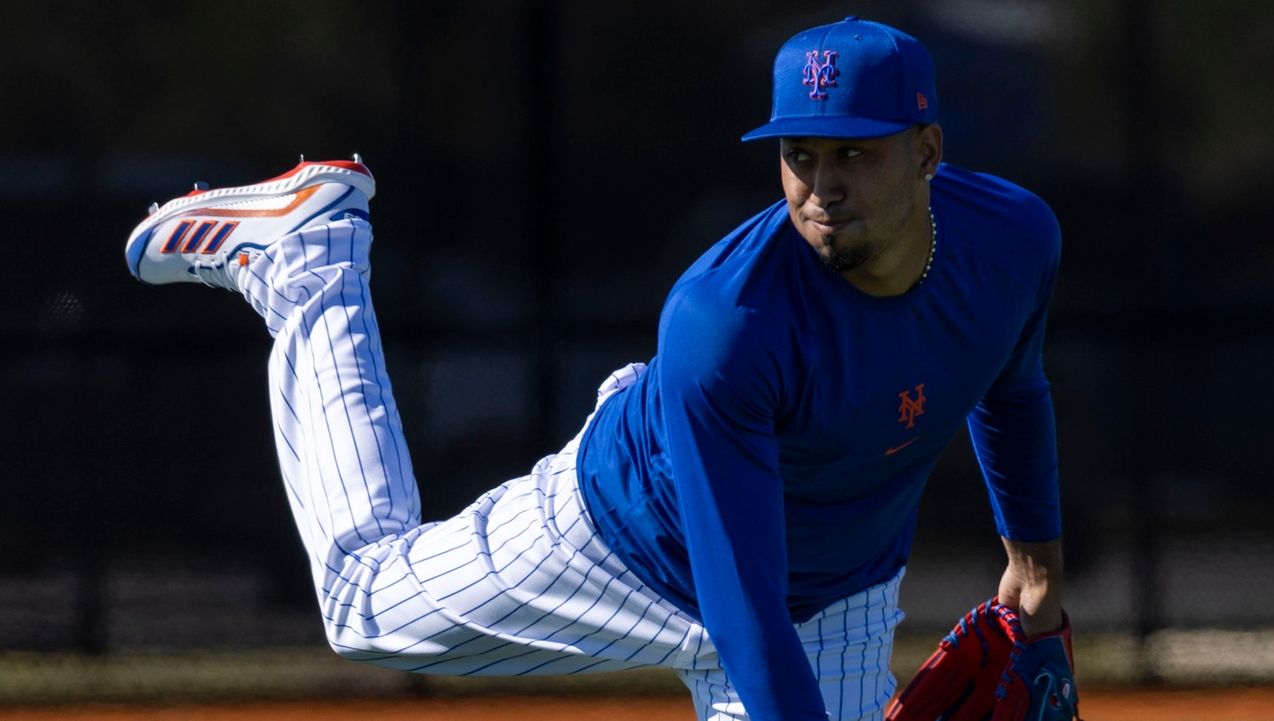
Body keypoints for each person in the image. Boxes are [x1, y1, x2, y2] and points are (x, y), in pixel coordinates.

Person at [125, 16, 1074, 721]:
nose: (821, 186)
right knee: (363, 602)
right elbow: (738, 590)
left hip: (833, 593)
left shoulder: (1013, 243)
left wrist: (1035, 576)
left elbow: (1012, 386)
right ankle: (311, 254)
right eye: (799, 154)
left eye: (854, 156)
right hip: (627, 536)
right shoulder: (730, 319)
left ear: (927, 154)